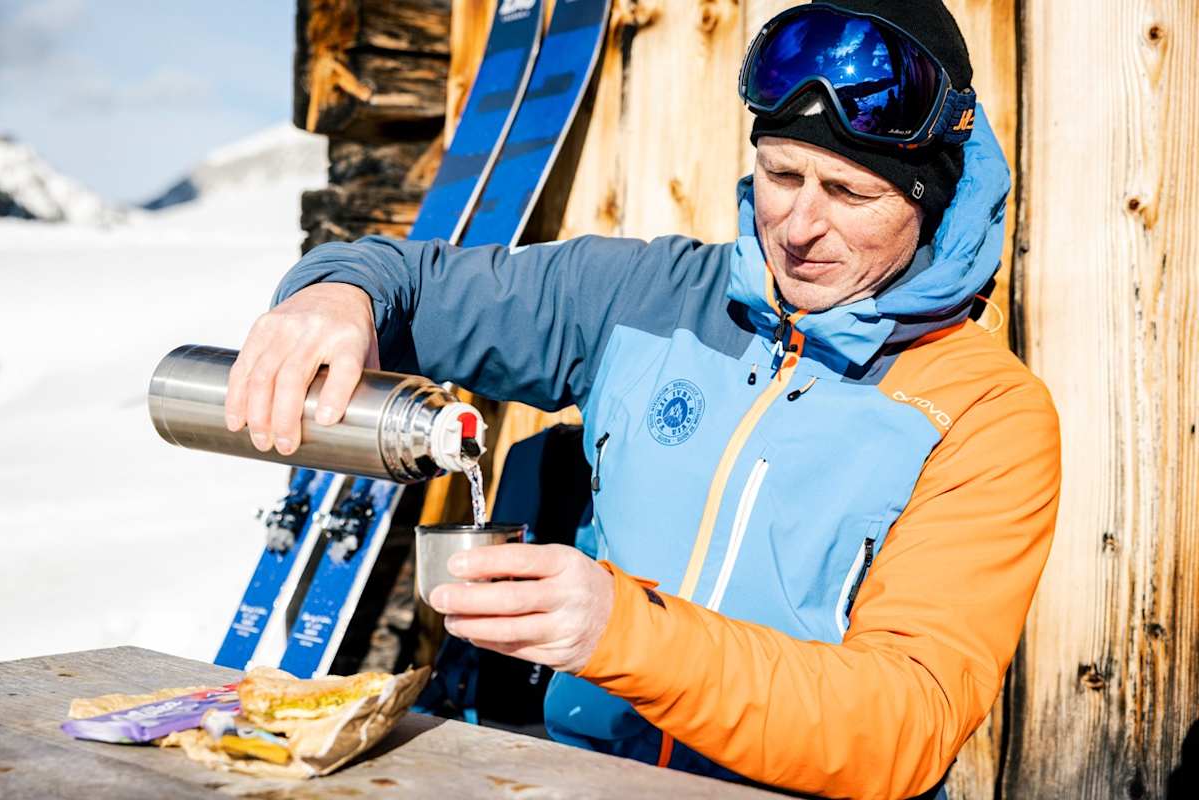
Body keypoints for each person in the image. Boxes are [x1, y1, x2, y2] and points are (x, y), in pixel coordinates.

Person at [223, 2, 1061, 797]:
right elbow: (411, 282)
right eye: (780, 173)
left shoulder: (986, 415)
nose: (800, 225)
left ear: (926, 202)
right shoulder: (648, 294)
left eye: (849, 193)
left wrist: (620, 632)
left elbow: (904, 723)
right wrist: (337, 294)